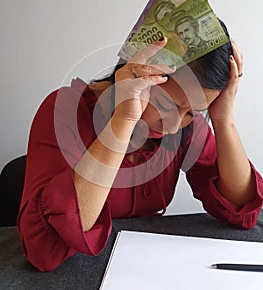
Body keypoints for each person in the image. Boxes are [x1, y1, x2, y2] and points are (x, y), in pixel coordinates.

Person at [17, 21, 263, 272]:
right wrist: (123, 120)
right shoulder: (65, 110)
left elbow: (242, 210)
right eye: (167, 105)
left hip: (146, 269)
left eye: (192, 112)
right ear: (139, 72)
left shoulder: (188, 126)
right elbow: (44, 251)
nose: (173, 125)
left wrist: (223, 120)